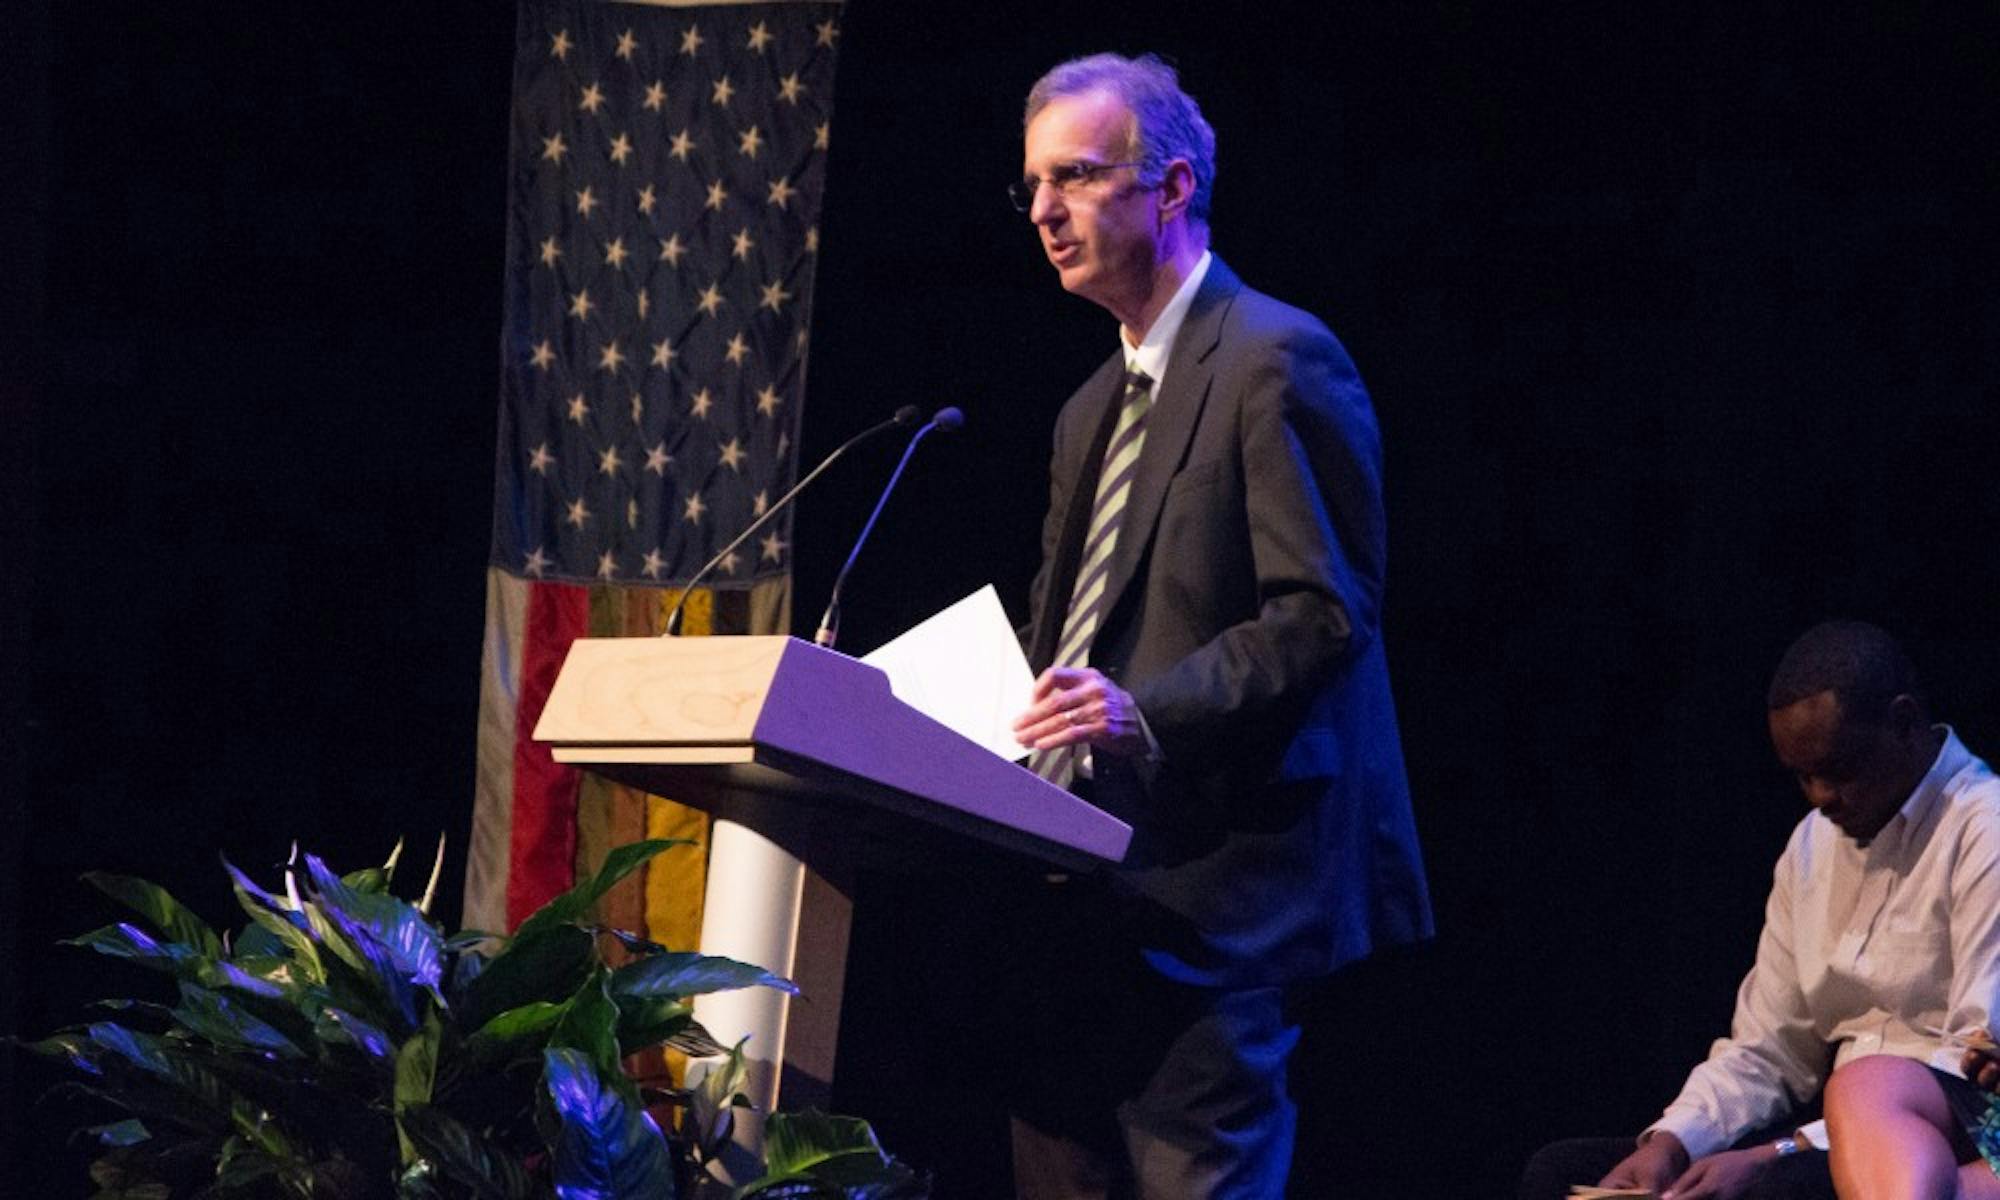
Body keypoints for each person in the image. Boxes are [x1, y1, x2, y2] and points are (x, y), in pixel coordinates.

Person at [999, 52, 1432, 1198]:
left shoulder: (1276, 358)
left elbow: (1322, 612)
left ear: (1172, 187)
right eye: (1034, 184)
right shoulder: (1087, 409)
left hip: (1217, 902)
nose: (1043, 210)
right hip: (1074, 898)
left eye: (1076, 177)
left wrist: (1145, 714)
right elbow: (1068, 639)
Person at [1519, 620, 2000, 1200]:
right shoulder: (1811, 844)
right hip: (1820, 1130)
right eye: (1803, 776)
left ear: (1903, 723)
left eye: (1838, 769)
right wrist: (1669, 1145)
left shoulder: (1985, 828)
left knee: (1773, 1190)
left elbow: (1973, 1077)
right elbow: (1768, 1048)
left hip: (1934, 1140)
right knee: (1560, 1175)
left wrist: (1777, 1153)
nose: (1821, 797)